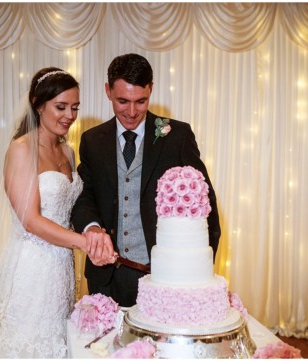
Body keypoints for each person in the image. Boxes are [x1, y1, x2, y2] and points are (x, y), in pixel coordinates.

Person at [0, 67, 117, 358]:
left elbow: (73, 205)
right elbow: (30, 219)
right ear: (39, 104)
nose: (69, 115)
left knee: (57, 344)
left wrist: (94, 233)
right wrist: (83, 242)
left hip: (61, 267)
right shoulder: (22, 149)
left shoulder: (68, 152)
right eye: (60, 107)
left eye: (75, 107)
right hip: (32, 266)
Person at [71, 53, 221, 307]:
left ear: (151, 89)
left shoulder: (177, 136)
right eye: (122, 101)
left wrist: (199, 269)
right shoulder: (92, 140)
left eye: (141, 101)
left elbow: (204, 201)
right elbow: (85, 195)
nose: (131, 112)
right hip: (107, 277)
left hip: (164, 277)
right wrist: (92, 228)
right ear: (108, 91)